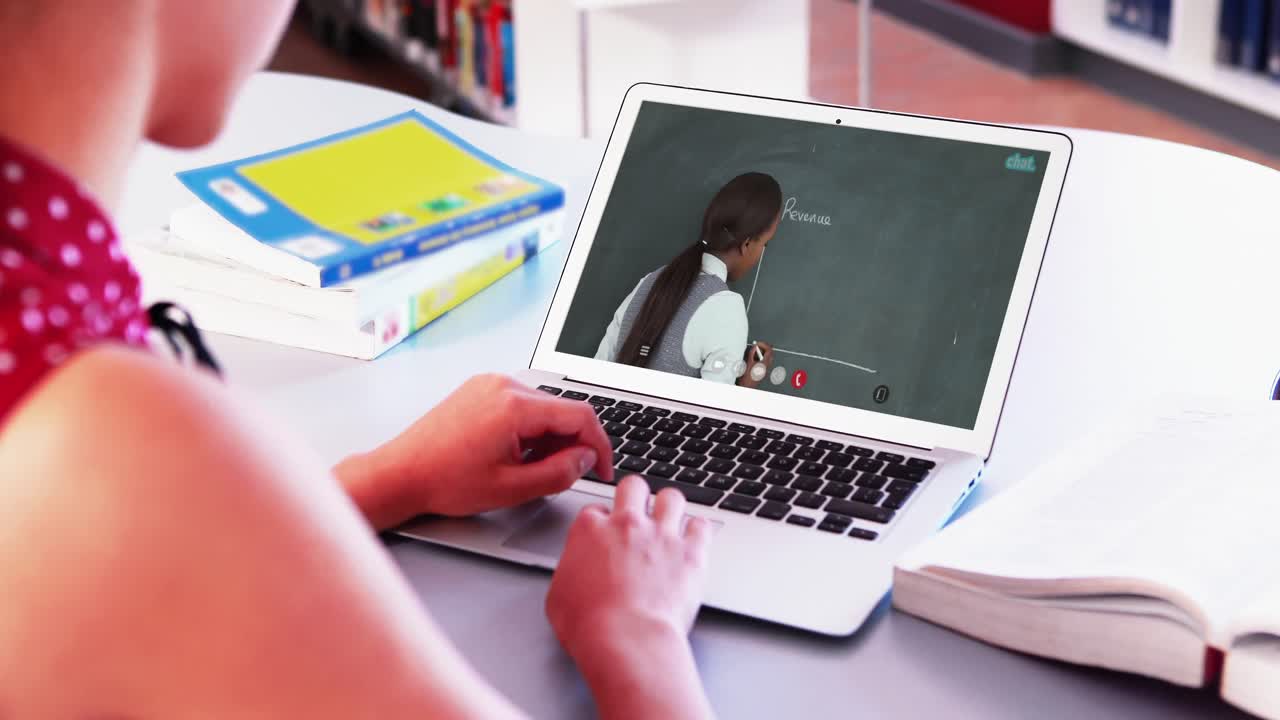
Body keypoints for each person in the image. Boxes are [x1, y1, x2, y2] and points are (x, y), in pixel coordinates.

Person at [0, 2, 715, 718]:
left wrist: (385, 480)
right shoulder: (126, 447)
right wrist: (639, 638)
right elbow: (148, 529)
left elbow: (144, 580)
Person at [595, 172, 783, 388]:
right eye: (764, 245)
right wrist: (750, 381)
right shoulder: (726, 308)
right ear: (747, 245)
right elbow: (712, 415)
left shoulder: (649, 282)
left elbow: (597, 372)